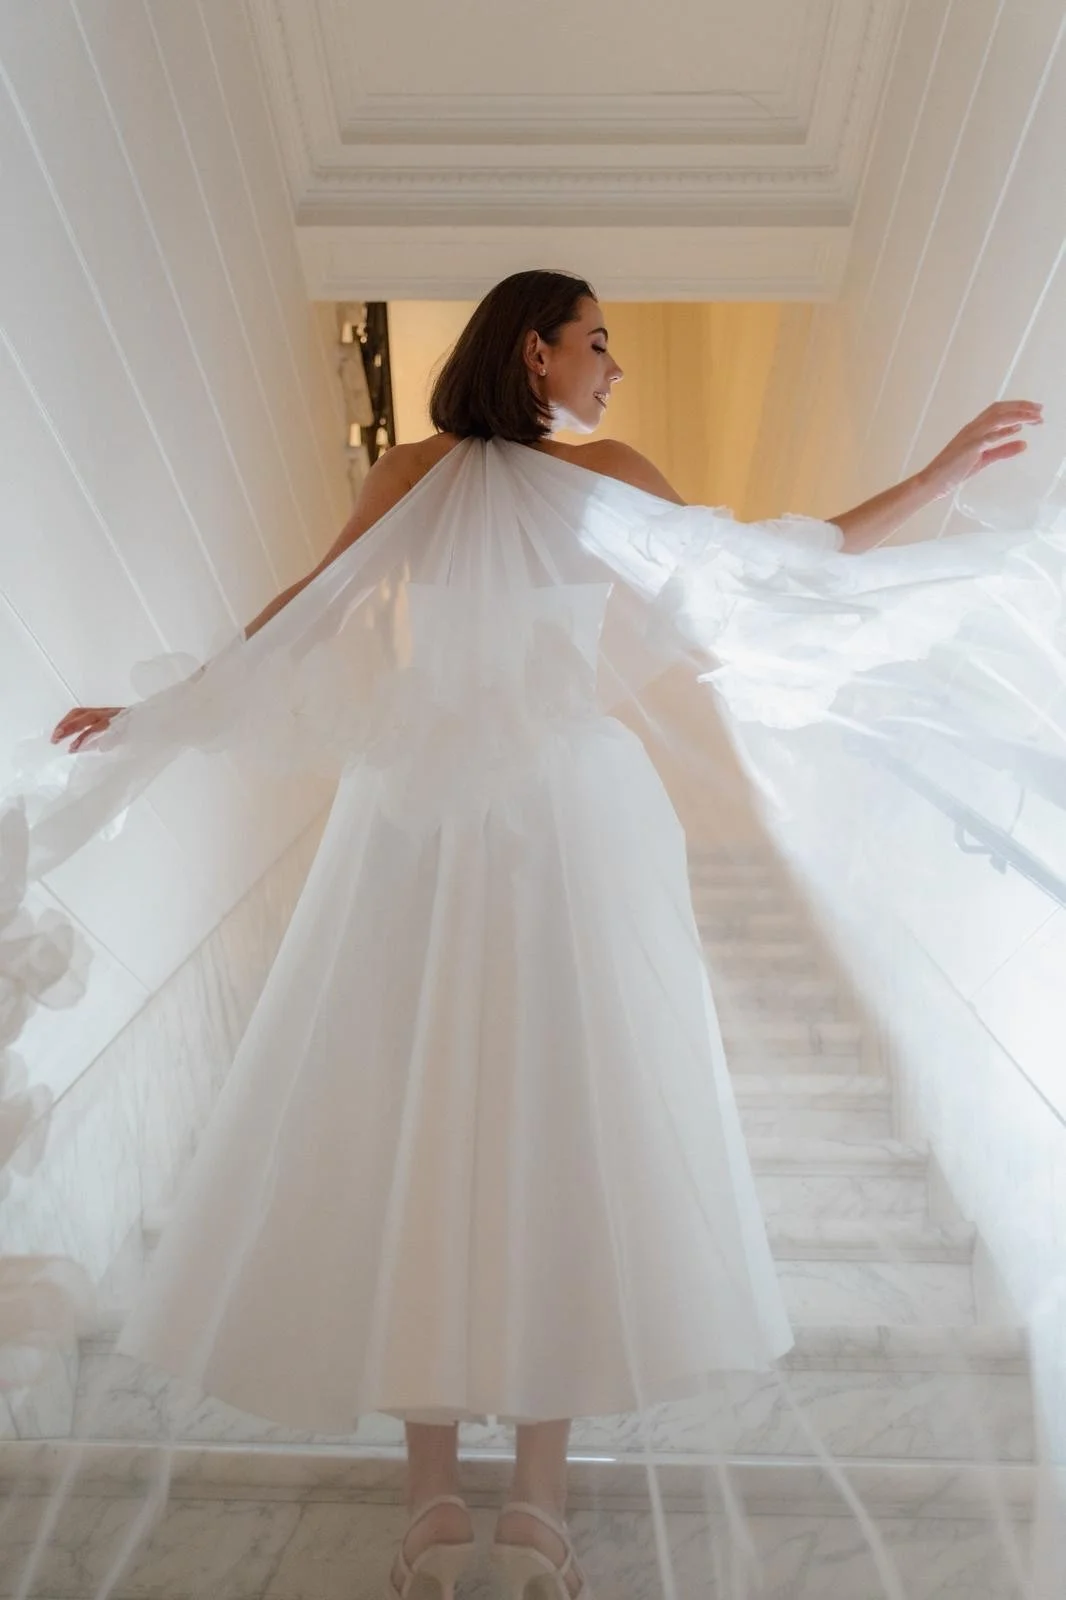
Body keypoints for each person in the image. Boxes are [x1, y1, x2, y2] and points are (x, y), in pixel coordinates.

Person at [36, 271, 1051, 1600]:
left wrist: (928, 481)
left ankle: (443, 1514)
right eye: (597, 341)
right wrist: (145, 721)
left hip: (433, 814)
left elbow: (311, 616)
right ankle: (522, 1513)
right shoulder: (572, 476)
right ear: (536, 347)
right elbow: (767, 568)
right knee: (525, 1116)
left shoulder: (423, 475)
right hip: (543, 813)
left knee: (472, 1118)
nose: (612, 368)